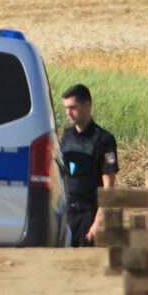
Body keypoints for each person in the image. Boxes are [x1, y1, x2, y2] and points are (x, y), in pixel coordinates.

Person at [58, 83, 118, 247]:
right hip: (67, 214)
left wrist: (98, 222)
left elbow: (109, 186)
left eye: (72, 107)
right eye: (65, 108)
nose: (68, 113)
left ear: (87, 105)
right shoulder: (66, 136)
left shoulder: (104, 140)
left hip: (89, 214)